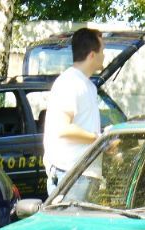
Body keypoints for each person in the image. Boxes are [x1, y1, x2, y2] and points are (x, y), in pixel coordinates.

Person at [43, 28, 105, 195]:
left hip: (83, 175)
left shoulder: (88, 85)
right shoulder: (69, 82)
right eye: (102, 51)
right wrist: (100, 140)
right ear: (92, 55)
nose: (104, 56)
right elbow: (63, 129)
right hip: (70, 176)